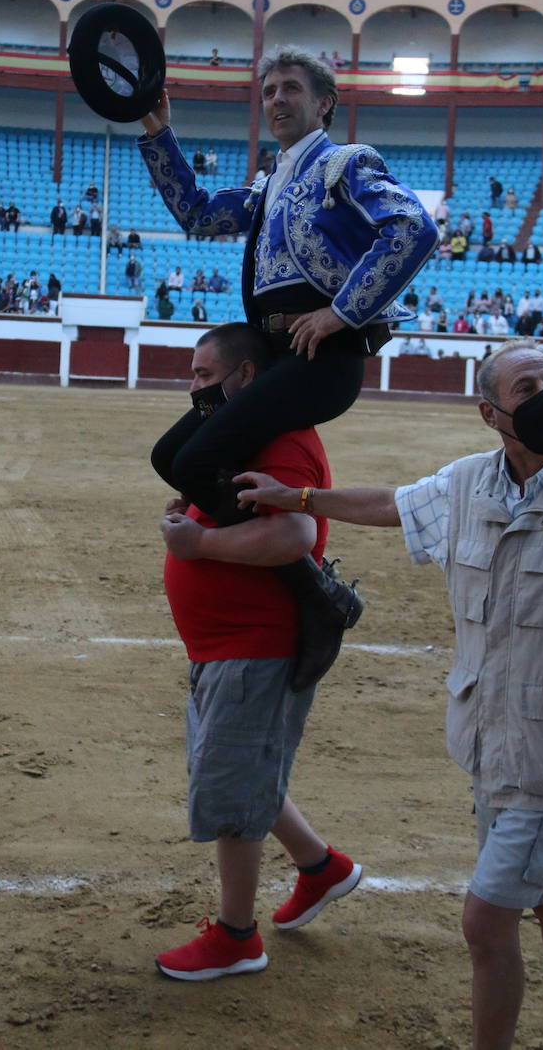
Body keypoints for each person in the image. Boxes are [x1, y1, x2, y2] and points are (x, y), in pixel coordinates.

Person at [235, 341, 543, 1049]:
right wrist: (299, 498)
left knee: (485, 921)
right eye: (528, 387)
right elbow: (395, 505)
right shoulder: (467, 484)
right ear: (490, 412)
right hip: (492, 745)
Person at [140, 45, 436, 677]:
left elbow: (413, 227)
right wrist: (158, 131)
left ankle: (310, 589)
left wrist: (343, 312)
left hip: (322, 359)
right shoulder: (268, 183)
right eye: (269, 90)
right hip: (274, 357)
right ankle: (309, 584)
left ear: (323, 102)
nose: (276, 99)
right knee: (170, 456)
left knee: (196, 459)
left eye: (291, 89)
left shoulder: (346, 164)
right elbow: (196, 213)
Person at [154, 324, 361, 980]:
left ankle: (238, 935)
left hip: (257, 645)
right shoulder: (246, 432)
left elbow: (294, 535)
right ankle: (321, 867)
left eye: (203, 375)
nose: (194, 389)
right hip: (228, 645)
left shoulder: (284, 434)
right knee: (236, 769)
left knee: (234, 784)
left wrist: (201, 546)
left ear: (246, 377)